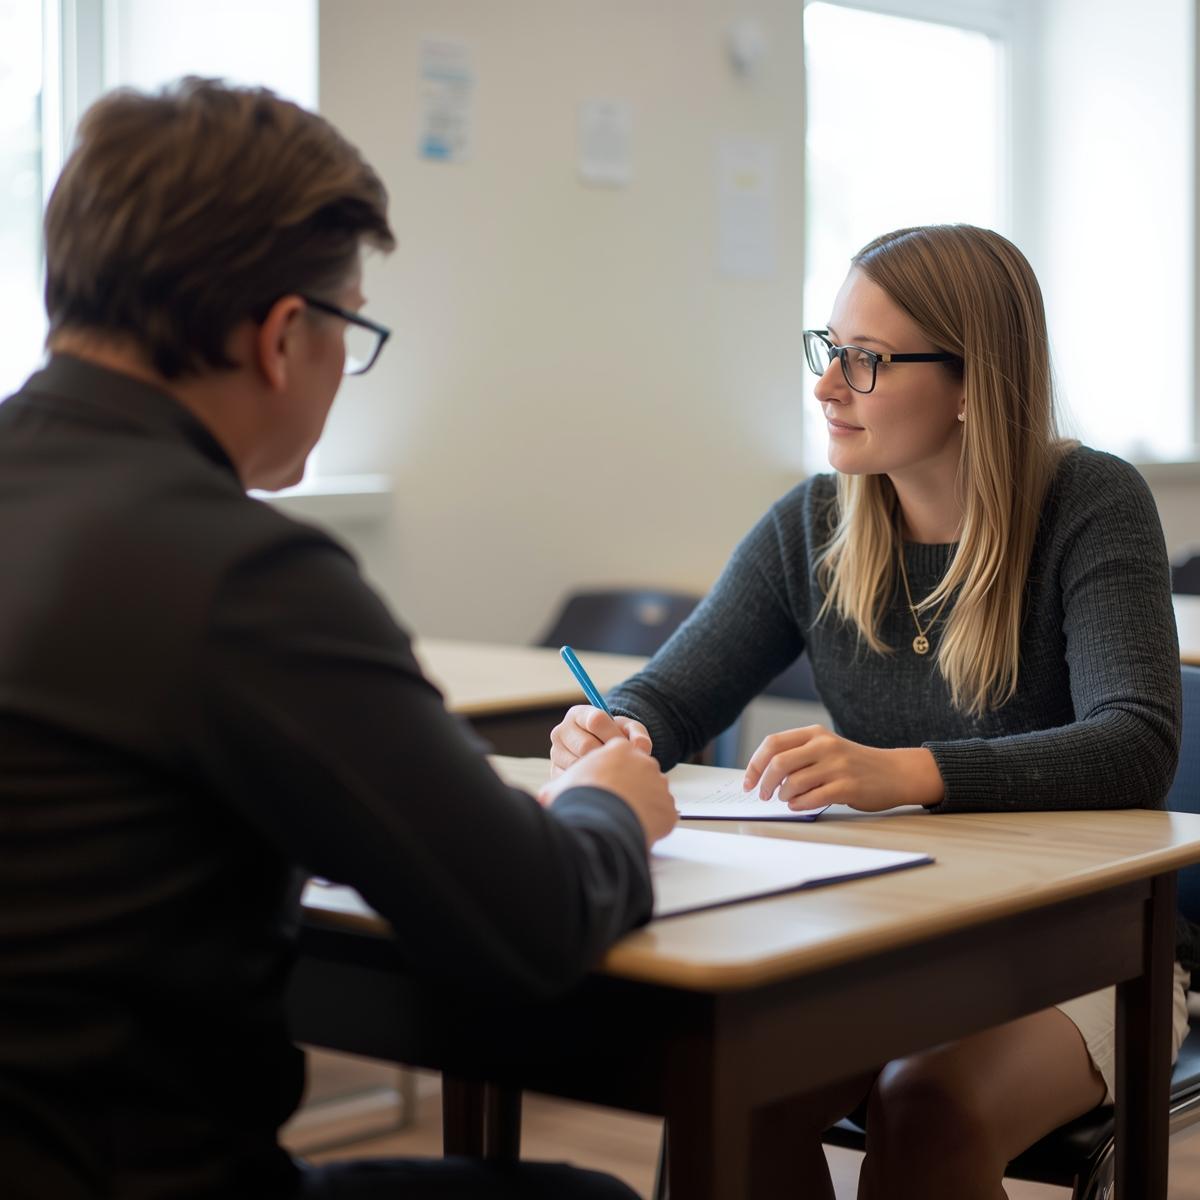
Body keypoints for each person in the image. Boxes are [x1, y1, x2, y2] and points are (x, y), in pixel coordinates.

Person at [0, 79, 678, 1200]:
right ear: (281, 336)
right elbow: (531, 925)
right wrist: (613, 803)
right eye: (351, 329)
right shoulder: (240, 572)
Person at [550, 223, 1197, 1198]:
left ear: (974, 382)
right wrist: (619, 729)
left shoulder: (1090, 501)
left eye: (866, 362)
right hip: (884, 937)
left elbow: (1136, 746)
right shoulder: (812, 522)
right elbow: (671, 696)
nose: (825, 387)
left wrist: (907, 771)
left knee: (929, 1106)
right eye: (829, 350)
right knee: (734, 1092)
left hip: (1086, 946)